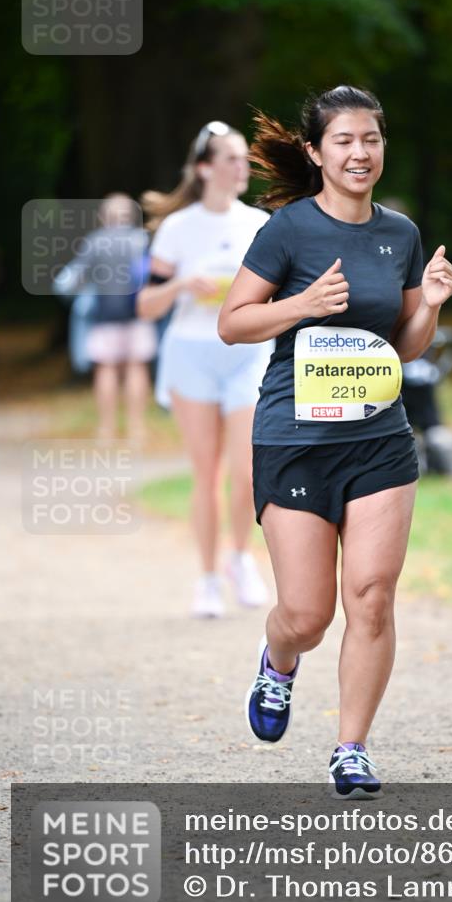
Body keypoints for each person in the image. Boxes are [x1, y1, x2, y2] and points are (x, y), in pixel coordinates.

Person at [217, 85, 452, 798]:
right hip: (294, 437)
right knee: (307, 613)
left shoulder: (401, 235)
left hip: (378, 438)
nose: (360, 153)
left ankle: (350, 748)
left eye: (371, 139)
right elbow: (233, 322)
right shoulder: (287, 231)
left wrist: (433, 305)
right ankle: (278, 660)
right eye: (345, 141)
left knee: (373, 597)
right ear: (317, 153)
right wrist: (301, 305)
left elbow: (407, 348)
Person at [137, 121, 272, 617]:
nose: (242, 166)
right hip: (191, 352)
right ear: (204, 168)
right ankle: (208, 578)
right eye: (232, 158)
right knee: (207, 472)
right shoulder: (178, 228)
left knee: (249, 471)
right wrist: (181, 287)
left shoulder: (259, 223)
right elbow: (146, 305)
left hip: (247, 352)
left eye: (244, 158)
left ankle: (241, 558)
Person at [53, 193, 156, 440]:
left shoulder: (95, 242)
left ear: (103, 216)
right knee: (136, 367)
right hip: (138, 315)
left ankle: (106, 430)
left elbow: (67, 283)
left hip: (104, 317)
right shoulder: (141, 241)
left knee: (106, 369)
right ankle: (136, 429)